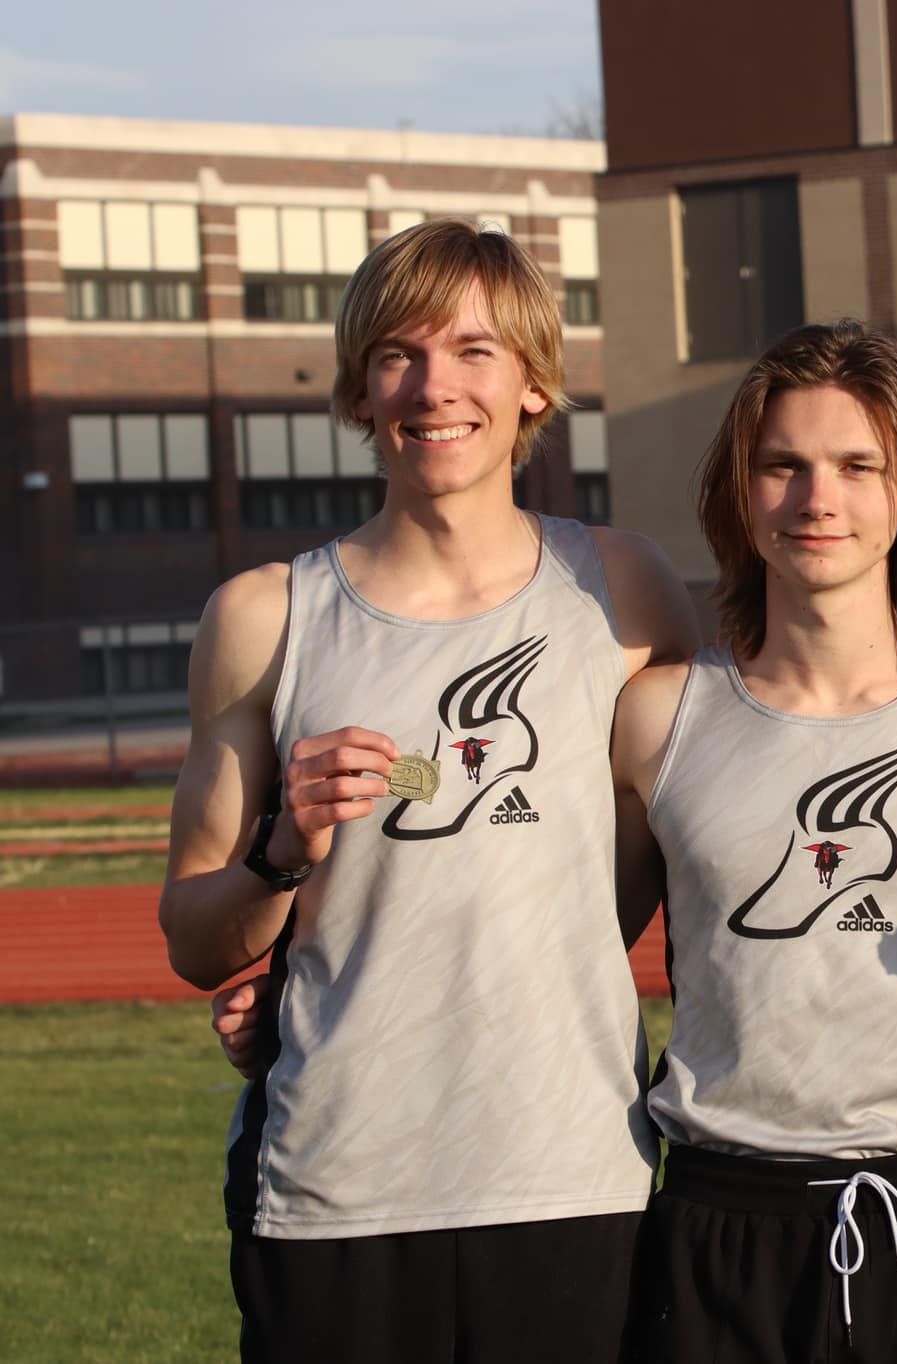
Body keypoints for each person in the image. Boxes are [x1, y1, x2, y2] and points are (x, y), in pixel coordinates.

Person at [160, 220, 698, 1363]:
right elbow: (195, 936)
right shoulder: (264, 618)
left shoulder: (626, 590)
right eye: (399, 353)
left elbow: (671, 861)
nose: (434, 385)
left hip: (573, 1170)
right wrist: (279, 861)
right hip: (336, 1183)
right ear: (360, 385)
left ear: (533, 383)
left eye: (473, 350)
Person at [612, 321, 897, 1362]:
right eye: (783, 465)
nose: (818, 499)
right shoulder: (656, 715)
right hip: (718, 1219)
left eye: (858, 465)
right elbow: (552, 939)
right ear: (738, 489)